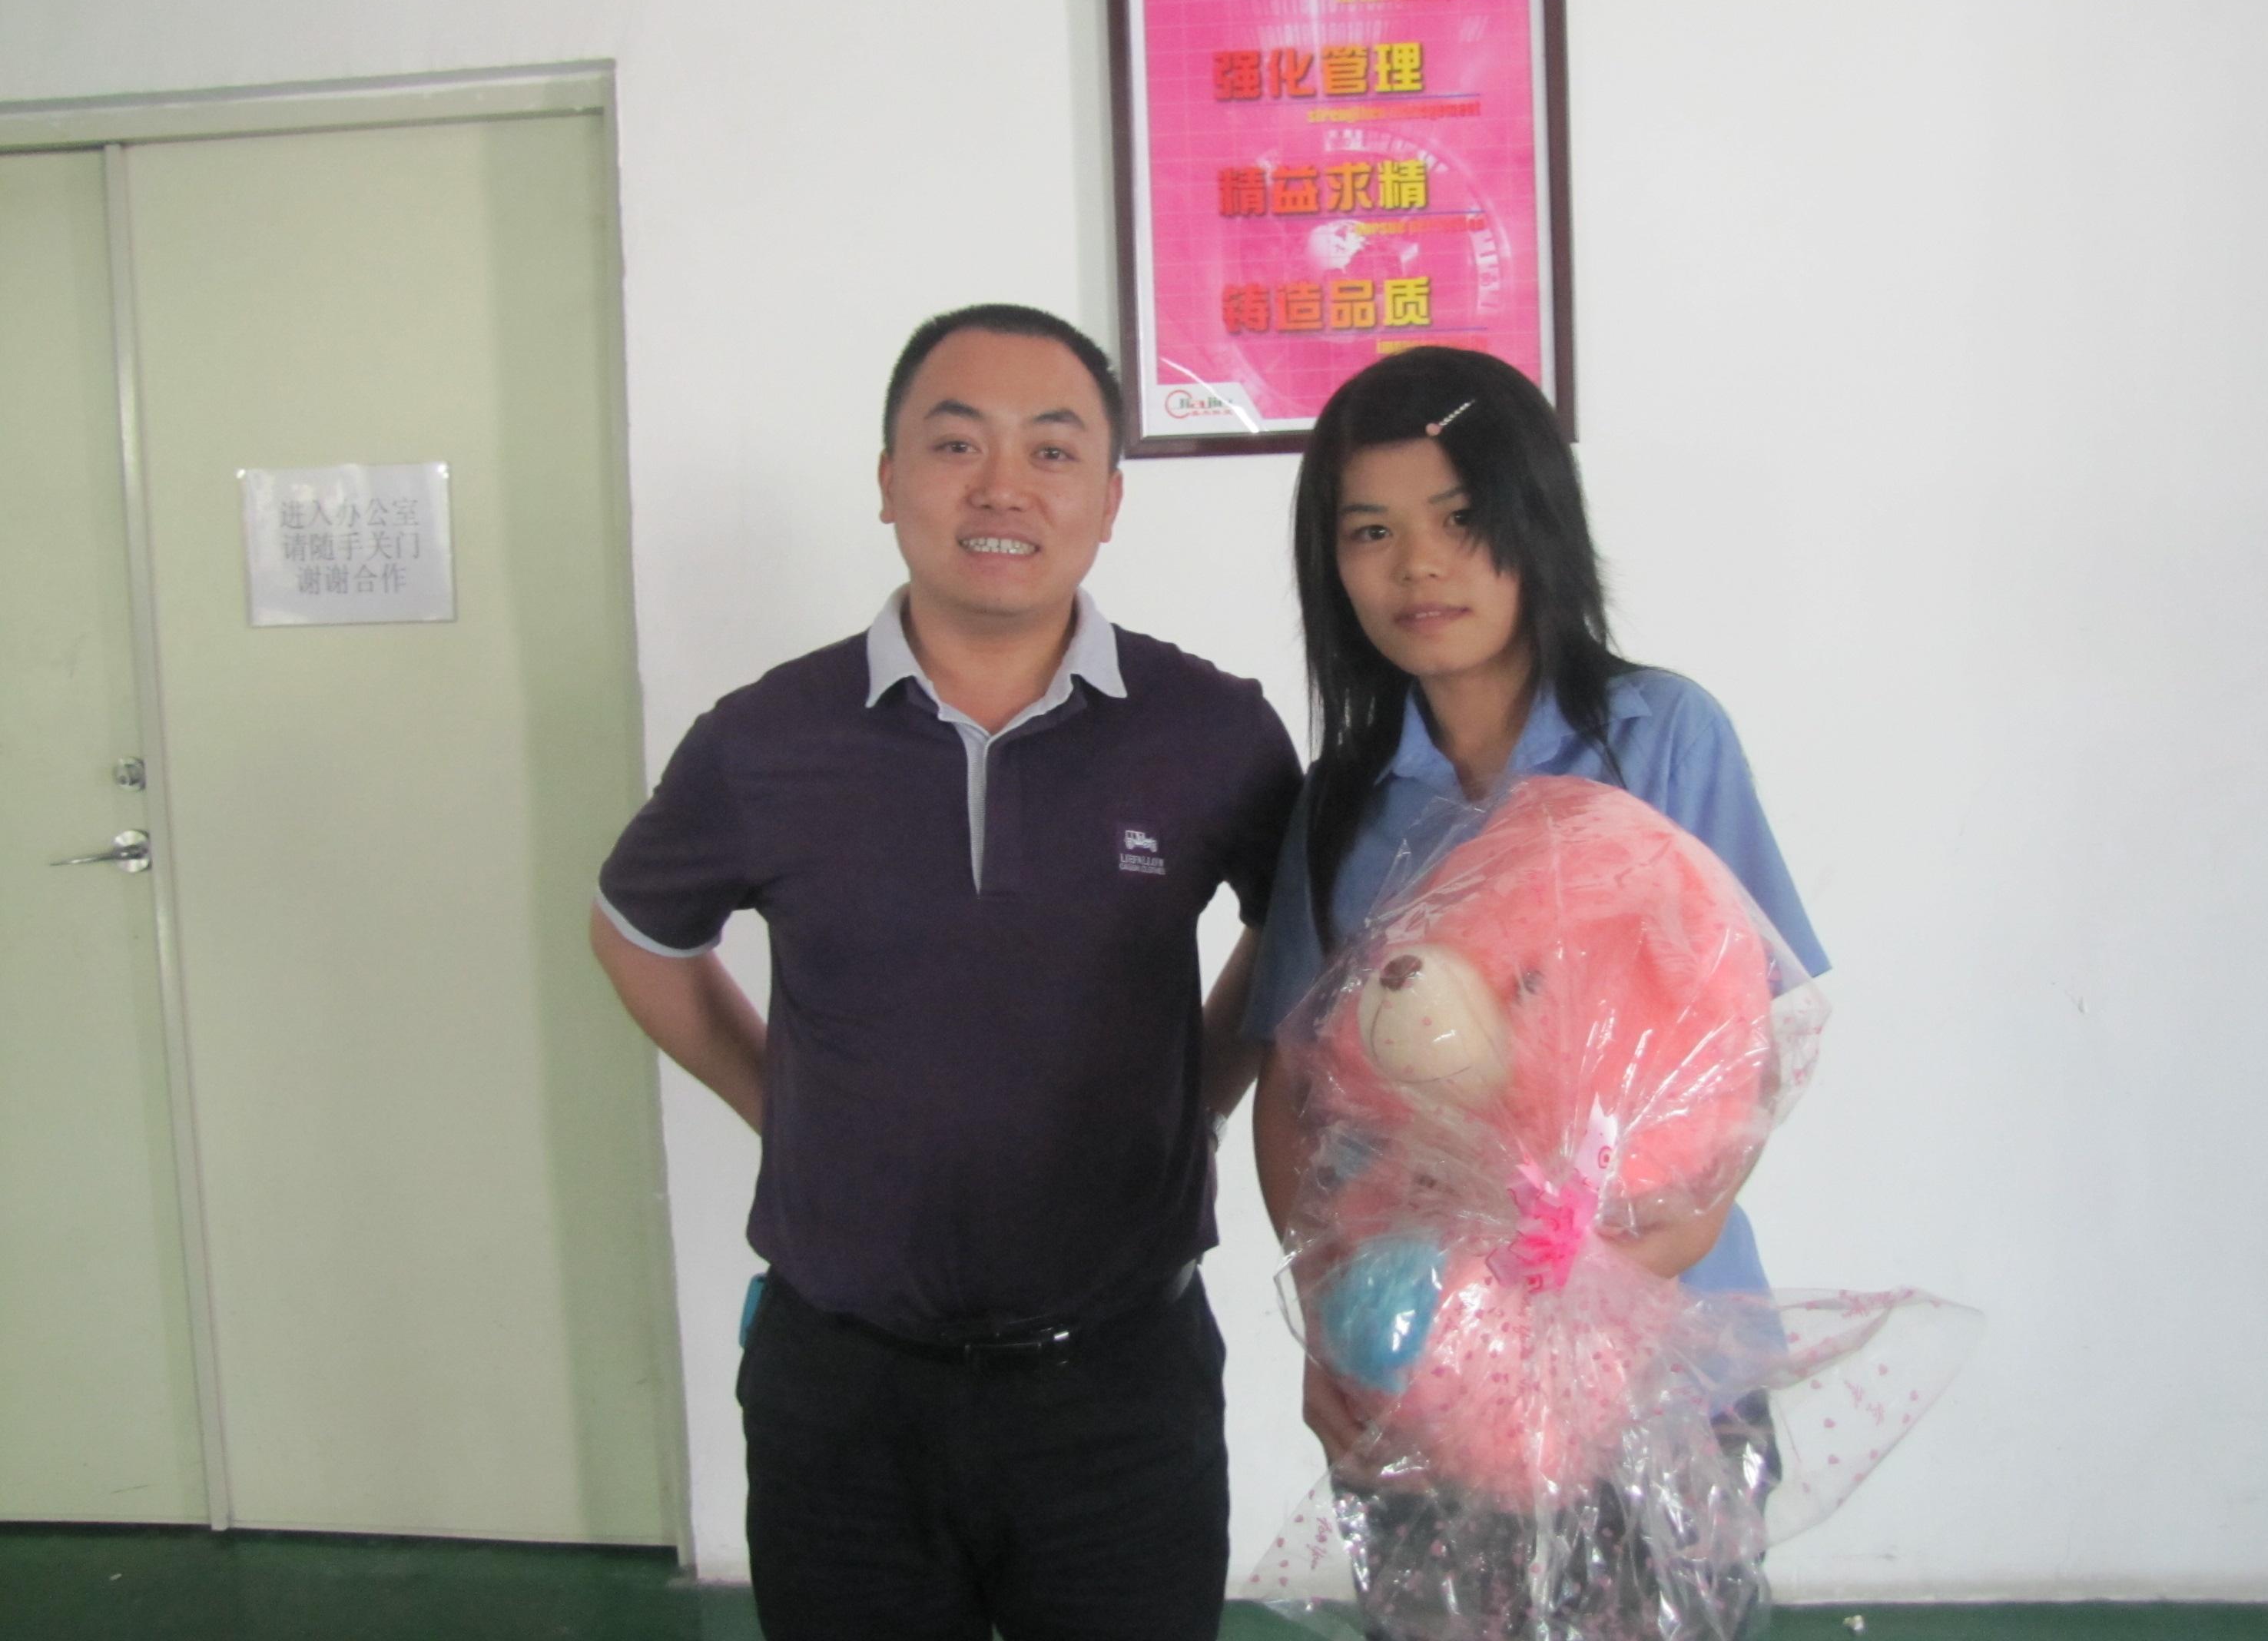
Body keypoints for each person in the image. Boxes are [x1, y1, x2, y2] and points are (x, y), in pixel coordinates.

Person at [591, 303, 1301, 1641]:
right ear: (888, 480)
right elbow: (638, 934)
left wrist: (1194, 1095)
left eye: (1053, 451)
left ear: (1108, 501)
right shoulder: (765, 739)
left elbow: (1296, 942)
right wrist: (780, 1100)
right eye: (956, 443)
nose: (1002, 488)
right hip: (841, 1392)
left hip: (1120, 1387)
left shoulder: (1213, 732)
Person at [1242, 344, 1829, 1634]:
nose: (1418, 566)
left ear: (1535, 522)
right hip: (1428, 1365)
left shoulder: (1659, 737)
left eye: (1460, 520)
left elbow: (1753, 1032)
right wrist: (1330, 1316)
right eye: (1370, 532)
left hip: (1661, 1350)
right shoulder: (1342, 803)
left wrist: (1671, 1234)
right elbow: (1293, 1086)